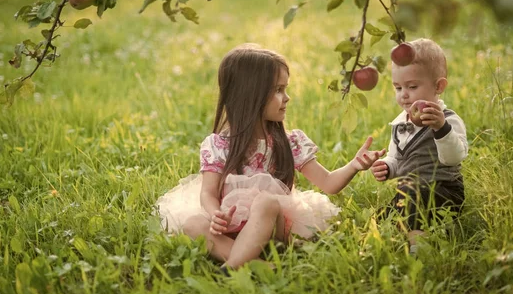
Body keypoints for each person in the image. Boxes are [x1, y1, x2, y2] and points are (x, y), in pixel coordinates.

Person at [155, 44, 386, 271]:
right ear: (249, 94)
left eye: (285, 88)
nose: (287, 97)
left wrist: (355, 166)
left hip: (273, 225)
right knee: (192, 224)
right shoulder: (218, 145)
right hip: (231, 225)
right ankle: (256, 264)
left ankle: (232, 266)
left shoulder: (289, 142)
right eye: (278, 90)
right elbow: (208, 192)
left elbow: (328, 183)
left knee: (265, 201)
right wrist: (216, 214)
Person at [370, 38, 468, 254]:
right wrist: (387, 167)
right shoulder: (400, 123)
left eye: (412, 86)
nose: (404, 94)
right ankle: (409, 232)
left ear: (438, 86)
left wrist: (440, 128)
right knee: (380, 218)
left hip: (444, 191)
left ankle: (419, 248)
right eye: (398, 87)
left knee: (411, 194)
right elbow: (397, 158)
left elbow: (454, 157)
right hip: (410, 192)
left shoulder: (447, 120)